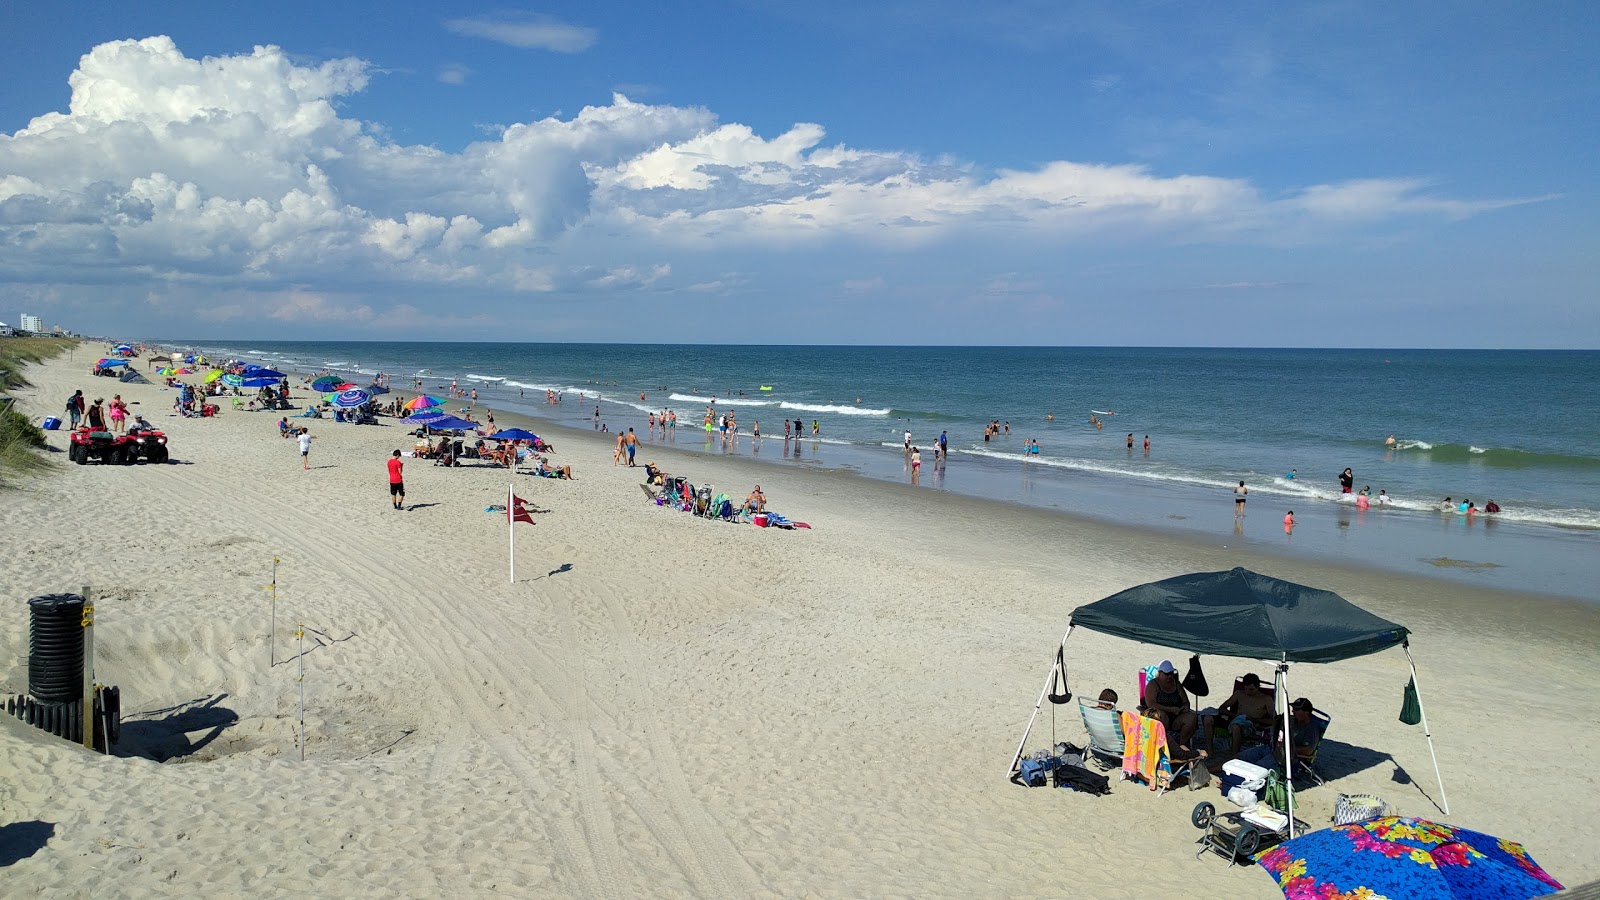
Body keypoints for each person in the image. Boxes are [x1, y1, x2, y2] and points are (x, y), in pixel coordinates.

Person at [1141, 660, 1197, 751]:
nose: (1170, 676)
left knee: (1192, 717)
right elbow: (1151, 704)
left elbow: (1186, 701)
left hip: (1177, 717)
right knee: (1162, 715)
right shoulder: (1153, 685)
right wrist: (1170, 709)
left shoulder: (1176, 683)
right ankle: (1165, 746)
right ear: (1160, 673)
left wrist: (1185, 708)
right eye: (1167, 674)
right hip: (1160, 717)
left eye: (1171, 673)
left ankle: (1182, 746)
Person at [1215, 673, 1275, 753]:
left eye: (1251, 689)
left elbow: (1274, 720)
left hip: (1252, 725)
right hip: (1235, 720)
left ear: (1257, 687)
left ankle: (1234, 755)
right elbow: (1222, 708)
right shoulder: (1239, 694)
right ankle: (1210, 752)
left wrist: (1256, 720)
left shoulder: (1266, 699)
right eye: (1245, 689)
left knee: (1236, 727)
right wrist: (1234, 715)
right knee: (1208, 719)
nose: (1248, 692)